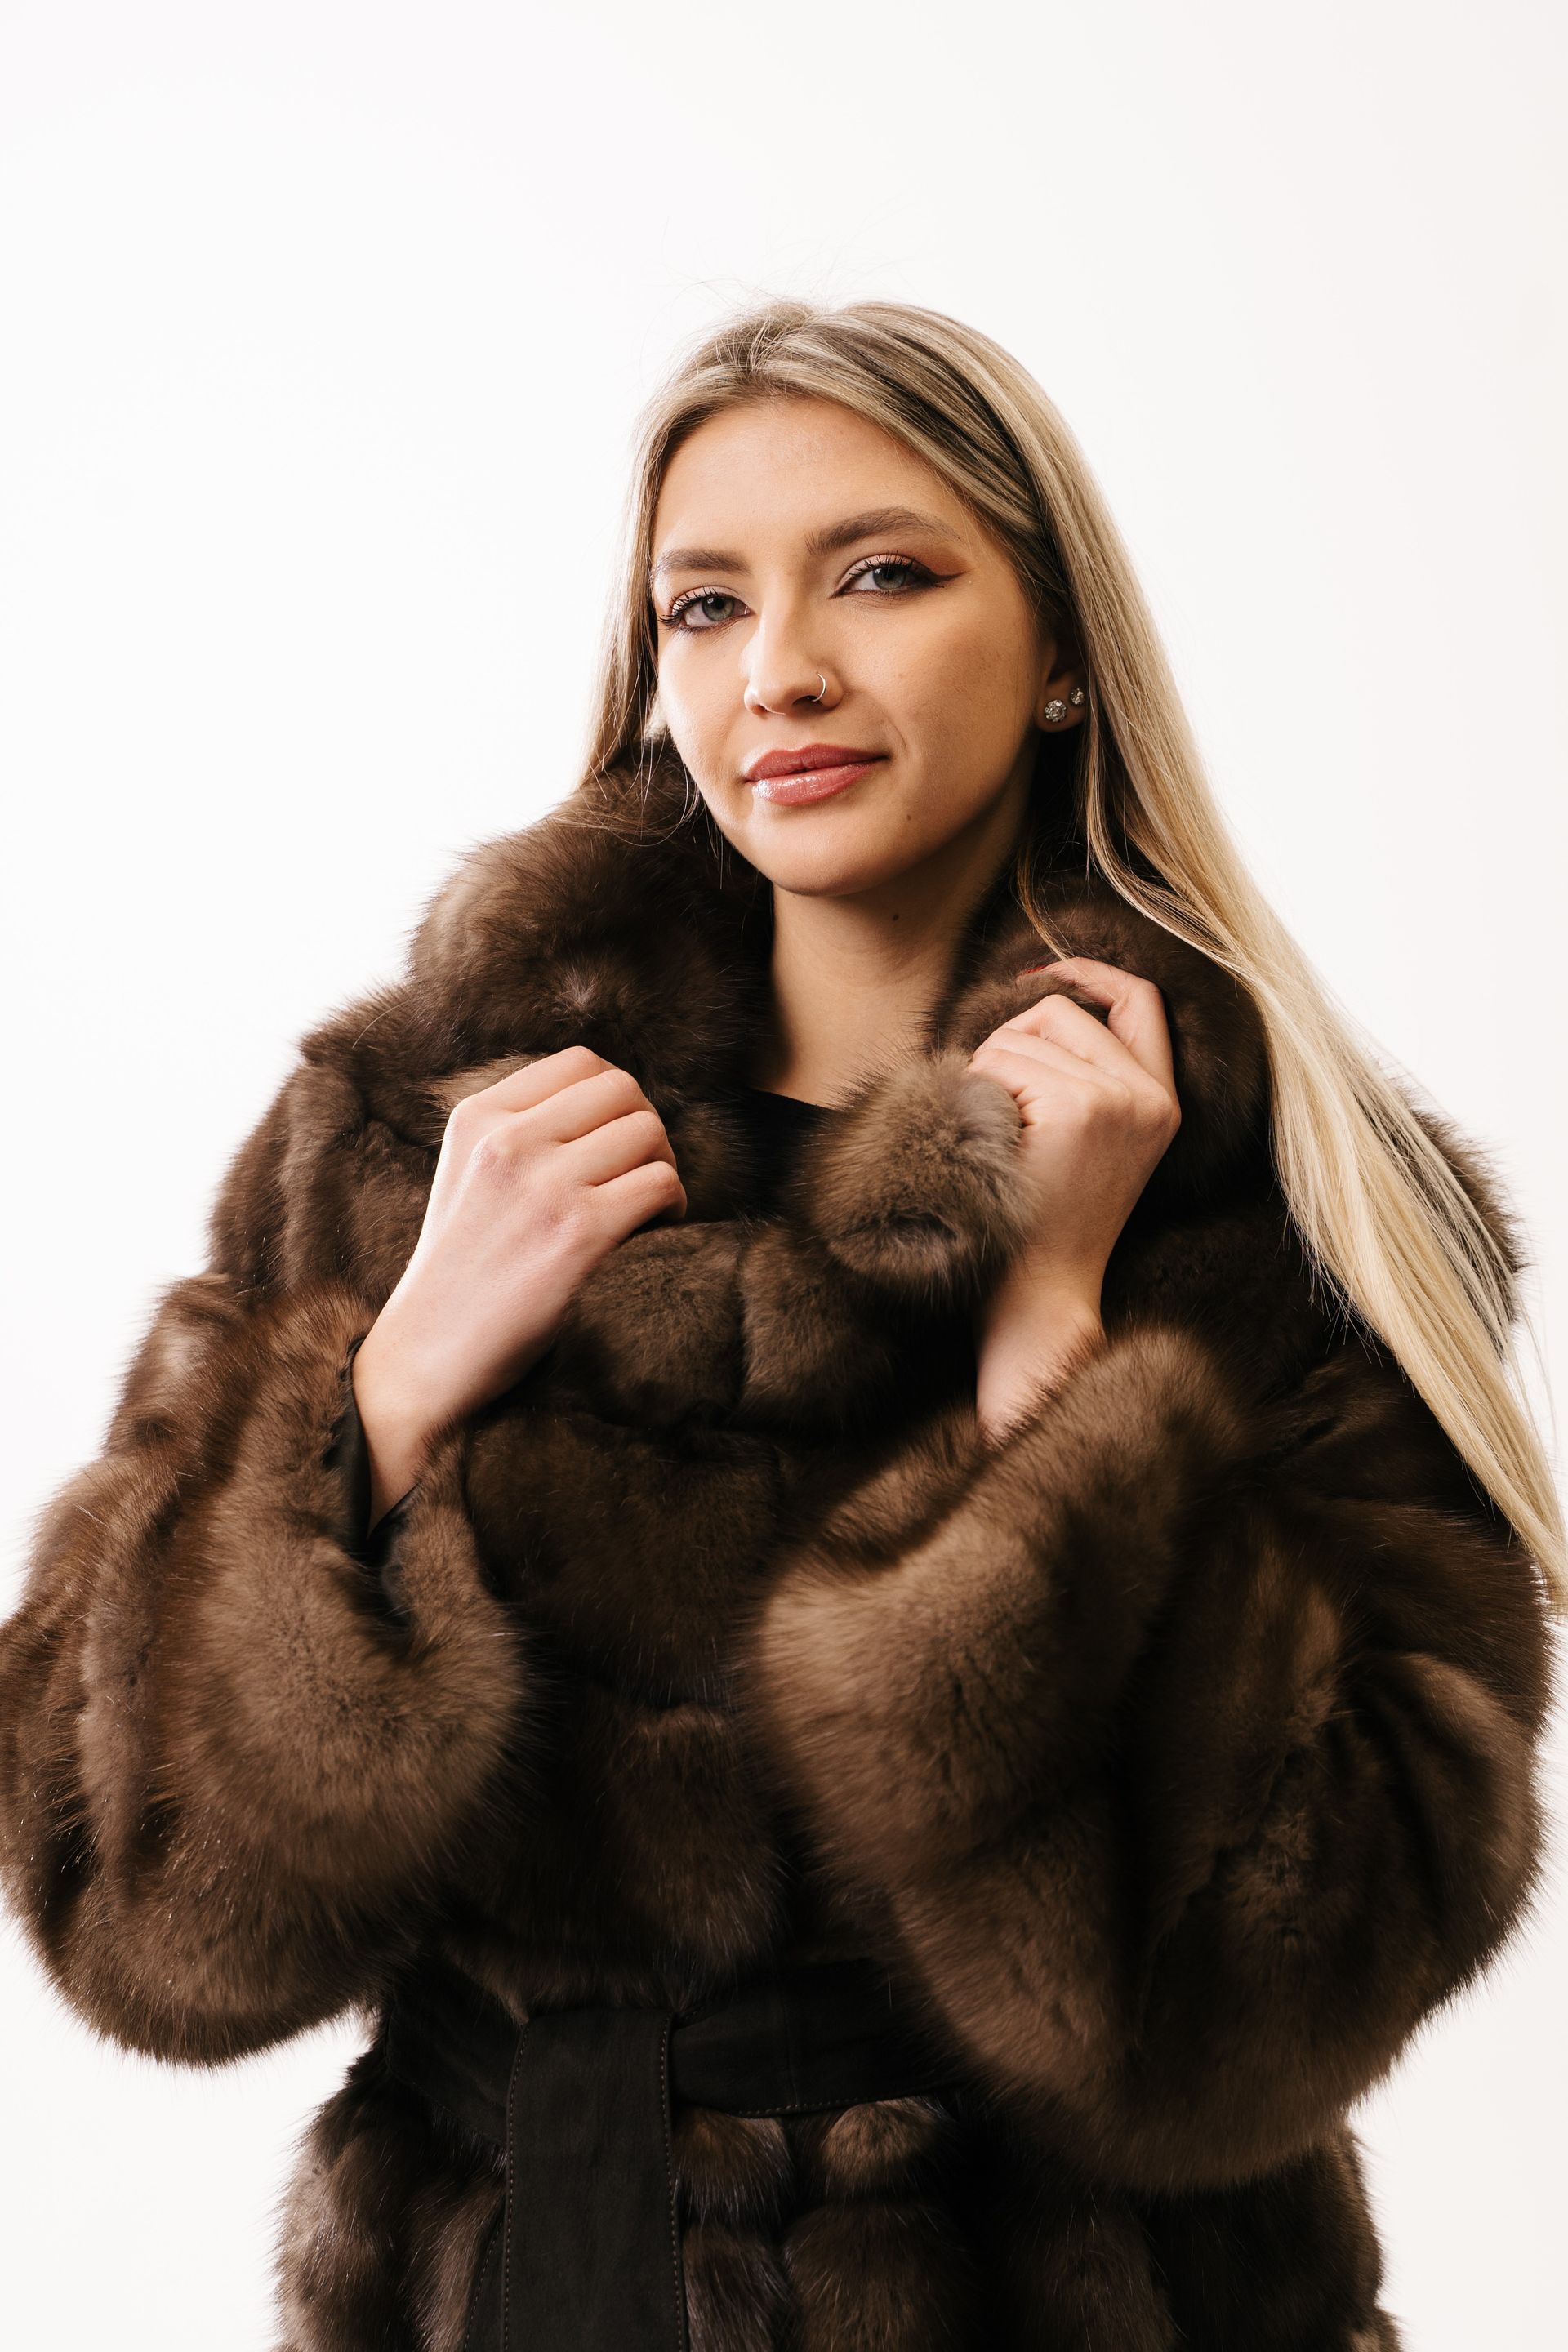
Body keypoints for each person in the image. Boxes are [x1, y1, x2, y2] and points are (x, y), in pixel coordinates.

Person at [0, 298, 1557, 2352]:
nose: (781, 671)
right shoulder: (408, 1146)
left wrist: (1058, 1354)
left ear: (1067, 650)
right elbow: (131, 1920)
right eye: (707, 605)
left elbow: (1257, 2009)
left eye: (883, 575)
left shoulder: (1292, 1204)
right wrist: (381, 1401)